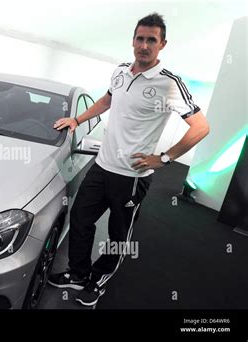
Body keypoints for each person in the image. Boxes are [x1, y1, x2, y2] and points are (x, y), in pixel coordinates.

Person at [48, 13, 210, 307]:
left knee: (117, 235)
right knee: (81, 220)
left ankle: (98, 280)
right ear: (133, 40)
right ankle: (78, 272)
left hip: (132, 177)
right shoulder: (121, 71)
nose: (144, 45)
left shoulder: (169, 84)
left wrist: (164, 158)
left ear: (162, 44)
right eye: (140, 38)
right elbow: (107, 100)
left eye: (151, 40)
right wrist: (77, 118)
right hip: (102, 167)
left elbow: (201, 127)